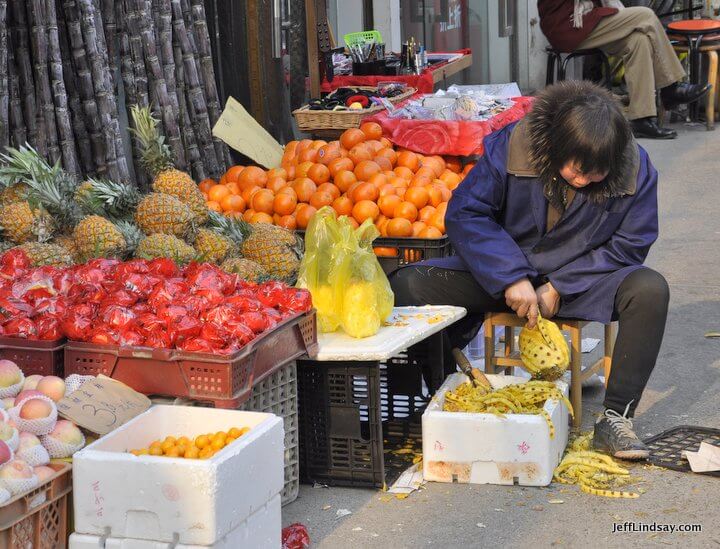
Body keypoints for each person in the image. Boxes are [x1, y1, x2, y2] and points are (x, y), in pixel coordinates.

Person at [390, 81, 669, 460]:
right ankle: (447, 393)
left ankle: (616, 418)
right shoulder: (514, 145)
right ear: (556, 144)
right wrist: (510, 276)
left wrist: (561, 285)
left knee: (649, 289)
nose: (584, 181)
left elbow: (630, 245)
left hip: (582, 281)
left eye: (596, 175)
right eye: (577, 170)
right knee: (409, 284)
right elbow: (466, 212)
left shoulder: (635, 166)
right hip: (505, 271)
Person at [537, 1, 709, 139]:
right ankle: (671, 88)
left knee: (638, 40)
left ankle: (642, 118)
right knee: (646, 16)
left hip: (585, 21)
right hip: (567, 26)